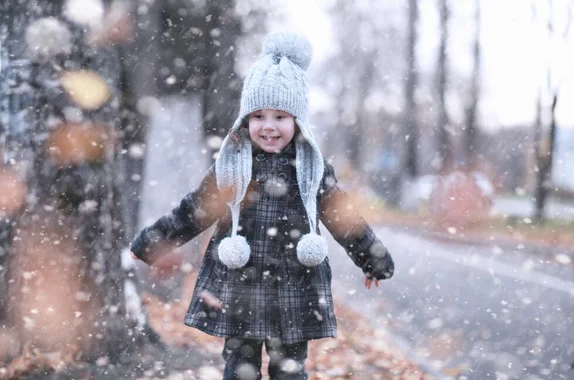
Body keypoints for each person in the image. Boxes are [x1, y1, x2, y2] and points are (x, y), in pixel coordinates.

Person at [130, 31, 395, 380]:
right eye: (258, 117)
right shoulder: (231, 165)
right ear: (245, 121)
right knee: (240, 369)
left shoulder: (311, 168)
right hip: (238, 286)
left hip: (295, 286)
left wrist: (372, 259)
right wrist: (151, 242)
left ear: (298, 121)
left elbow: (343, 217)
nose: (268, 127)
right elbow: (195, 209)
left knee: (290, 370)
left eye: (280, 117)